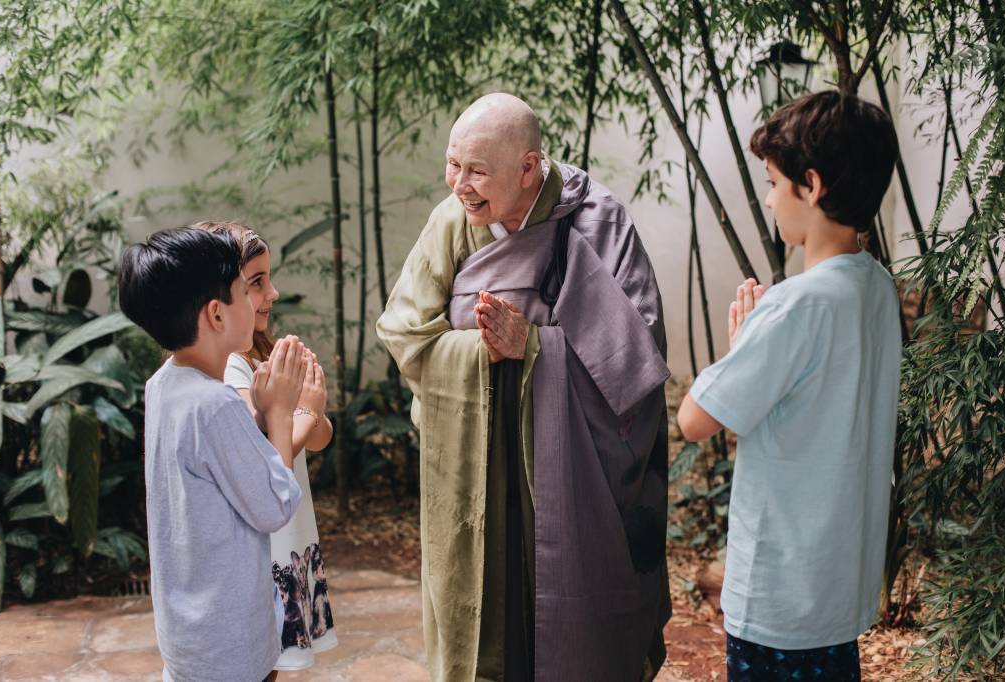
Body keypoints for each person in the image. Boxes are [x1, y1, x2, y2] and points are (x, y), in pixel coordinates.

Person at [377, 93, 672, 682]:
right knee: (486, 622)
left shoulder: (598, 222)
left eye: (477, 170)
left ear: (529, 167)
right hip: (475, 463)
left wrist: (534, 347)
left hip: (572, 472)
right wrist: (483, 349)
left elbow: (635, 361)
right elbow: (406, 334)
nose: (460, 184)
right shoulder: (452, 222)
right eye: (452, 164)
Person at [677, 91, 902, 682]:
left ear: (812, 184)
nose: (770, 198)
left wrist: (744, 343)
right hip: (836, 592)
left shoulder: (793, 308)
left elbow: (694, 420)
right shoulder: (876, 288)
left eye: (775, 182)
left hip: (777, 597)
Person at [119, 226, 307, 682]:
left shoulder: (163, 384)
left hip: (189, 633)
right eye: (246, 290)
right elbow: (274, 505)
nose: (261, 299)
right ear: (217, 315)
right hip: (231, 641)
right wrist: (280, 411)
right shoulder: (215, 403)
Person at [195, 221, 338, 672]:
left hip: (288, 531)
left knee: (272, 666)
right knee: (262, 662)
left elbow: (319, 436)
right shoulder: (228, 368)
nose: (272, 293)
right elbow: (263, 448)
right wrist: (302, 412)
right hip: (265, 537)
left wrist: (311, 409)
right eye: (257, 282)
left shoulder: (264, 356)